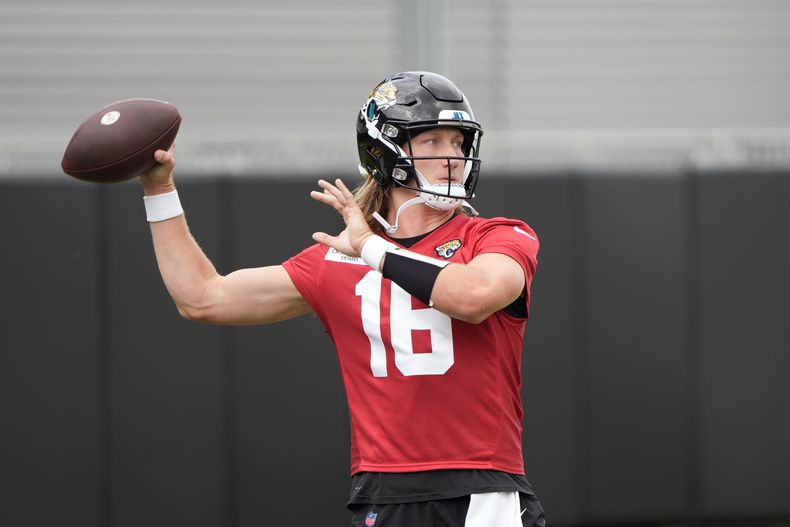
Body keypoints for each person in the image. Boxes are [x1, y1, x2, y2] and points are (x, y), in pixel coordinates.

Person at [140, 71, 545, 527]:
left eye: (458, 142)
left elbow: (474, 295)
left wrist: (372, 249)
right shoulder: (334, 261)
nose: (451, 157)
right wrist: (159, 190)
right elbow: (202, 297)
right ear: (383, 152)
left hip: (480, 490)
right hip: (381, 493)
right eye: (431, 142)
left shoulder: (497, 235)